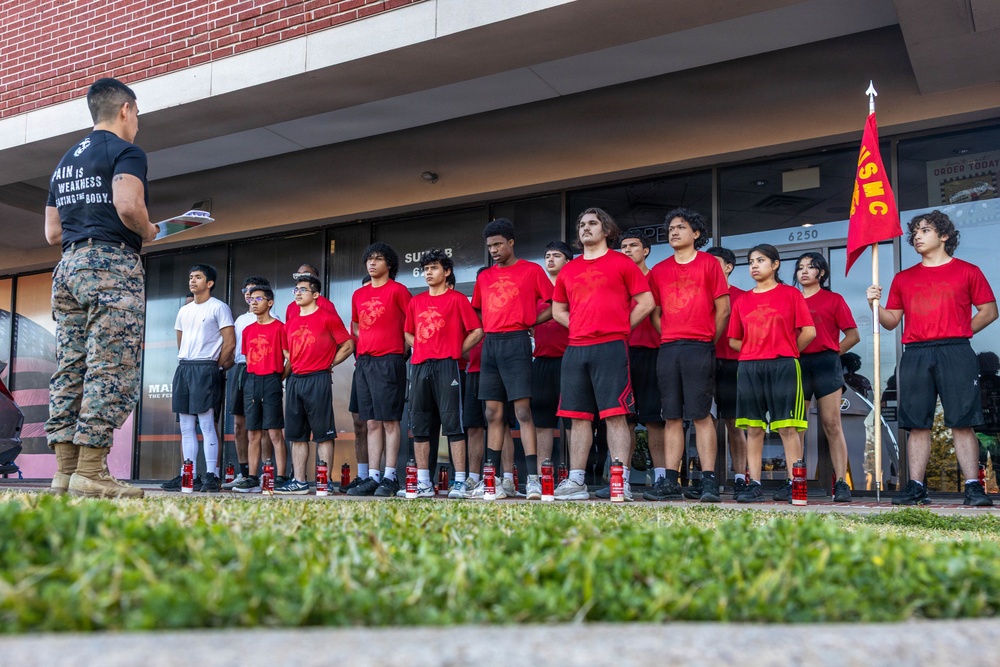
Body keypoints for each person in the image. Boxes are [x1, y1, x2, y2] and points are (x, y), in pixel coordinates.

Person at [44, 77, 159, 498]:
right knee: (112, 364)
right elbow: (128, 205)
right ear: (126, 110)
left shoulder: (64, 162)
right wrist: (151, 229)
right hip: (110, 265)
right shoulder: (127, 151)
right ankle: (92, 470)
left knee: (72, 366)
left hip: (69, 265)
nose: (137, 124)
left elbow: (52, 232)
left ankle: (65, 472)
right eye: (138, 115)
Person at [867, 210, 998, 506]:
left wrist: (960, 331)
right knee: (917, 424)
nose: (917, 237)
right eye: (915, 232)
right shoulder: (903, 278)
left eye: (924, 231)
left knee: (962, 421)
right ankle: (916, 487)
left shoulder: (968, 271)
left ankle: (973, 487)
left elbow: (990, 311)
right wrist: (873, 304)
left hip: (956, 349)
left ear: (944, 236)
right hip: (915, 352)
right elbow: (890, 322)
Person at [552, 208, 654, 501]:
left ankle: (620, 481)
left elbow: (646, 302)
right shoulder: (569, 269)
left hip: (611, 346)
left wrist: (620, 328)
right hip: (576, 347)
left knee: (615, 414)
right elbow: (558, 310)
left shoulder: (622, 262)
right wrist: (581, 326)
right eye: (582, 224)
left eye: (592, 223)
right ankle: (576, 481)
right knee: (578, 416)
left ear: (606, 230)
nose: (585, 228)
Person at [645, 209, 729, 503]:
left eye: (681, 227)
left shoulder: (709, 264)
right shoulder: (658, 270)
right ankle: (669, 481)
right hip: (668, 348)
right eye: (670, 228)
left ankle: (708, 481)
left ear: (696, 234)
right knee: (672, 416)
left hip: (700, 347)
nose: (674, 232)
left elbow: (724, 309)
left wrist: (708, 339)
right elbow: (654, 312)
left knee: (702, 414)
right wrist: (667, 332)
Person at [472, 219, 553, 499]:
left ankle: (532, 479)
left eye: (497, 244)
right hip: (491, 344)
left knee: (522, 412)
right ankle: (492, 481)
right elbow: (479, 312)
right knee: (492, 414)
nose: (493, 250)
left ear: (511, 243)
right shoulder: (485, 277)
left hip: (517, 342)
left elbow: (555, 304)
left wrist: (530, 321)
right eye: (489, 246)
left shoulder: (531, 270)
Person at [728, 244, 815, 503]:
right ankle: (753, 483)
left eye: (761, 260)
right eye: (751, 261)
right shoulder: (742, 300)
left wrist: (785, 351)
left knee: (788, 427)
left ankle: (794, 482)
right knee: (753, 428)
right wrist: (756, 350)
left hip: (784, 366)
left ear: (775, 264)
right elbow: (734, 340)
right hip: (749, 367)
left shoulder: (791, 295)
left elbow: (809, 332)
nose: (754, 265)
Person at [400, 249, 484, 497]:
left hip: (448, 366)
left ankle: (459, 481)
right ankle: (424, 482)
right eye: (426, 269)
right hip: (420, 365)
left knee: (453, 424)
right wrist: (421, 346)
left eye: (434, 268)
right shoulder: (416, 302)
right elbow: (407, 332)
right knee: (420, 424)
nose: (428, 273)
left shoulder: (457, 299)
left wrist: (454, 351)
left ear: (446, 272)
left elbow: (477, 331)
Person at [163, 264, 236, 493]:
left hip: (207, 367)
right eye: (191, 276)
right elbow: (180, 340)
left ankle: (212, 475)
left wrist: (216, 366)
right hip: (185, 366)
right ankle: (189, 475)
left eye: (198, 277)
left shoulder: (219, 307)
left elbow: (230, 343)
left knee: (206, 424)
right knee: (186, 426)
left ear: (210, 283)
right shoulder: (184, 310)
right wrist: (188, 361)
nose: (192, 281)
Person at [794, 251, 860, 503]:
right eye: (800, 267)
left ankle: (841, 483)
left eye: (810, 267)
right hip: (798, 363)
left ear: (821, 273)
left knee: (832, 424)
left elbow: (853, 335)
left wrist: (833, 352)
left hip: (826, 364)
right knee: (797, 426)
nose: (804, 271)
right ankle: (795, 480)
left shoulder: (834, 299)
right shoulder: (791, 298)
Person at [280, 275, 354, 494]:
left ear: (315, 294)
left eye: (303, 289)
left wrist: (328, 362)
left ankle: (325, 481)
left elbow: (348, 345)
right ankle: (300, 481)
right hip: (295, 380)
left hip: (318, 379)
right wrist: (294, 361)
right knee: (297, 434)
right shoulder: (291, 322)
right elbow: (286, 351)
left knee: (323, 433)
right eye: (296, 290)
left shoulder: (327, 317)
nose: (298, 293)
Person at [349, 243, 411, 497]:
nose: (372, 263)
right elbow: (354, 326)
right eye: (369, 259)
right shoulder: (358, 294)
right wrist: (368, 341)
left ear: (389, 265)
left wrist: (400, 351)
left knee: (389, 421)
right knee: (371, 421)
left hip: (390, 360)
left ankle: (390, 476)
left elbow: (413, 325)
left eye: (378, 259)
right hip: (364, 362)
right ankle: (373, 476)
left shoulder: (399, 291)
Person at [613, 231, 668, 500]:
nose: (627, 250)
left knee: (655, 421)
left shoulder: (657, 277)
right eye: (623, 247)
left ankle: (661, 479)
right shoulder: (617, 279)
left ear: (645, 250)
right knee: (624, 418)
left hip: (655, 353)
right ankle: (620, 479)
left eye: (633, 246)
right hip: (622, 352)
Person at [233, 286, 289, 493]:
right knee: (253, 432)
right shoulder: (247, 330)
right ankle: (251, 477)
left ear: (270, 302)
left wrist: (279, 377)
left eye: (259, 298)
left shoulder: (280, 327)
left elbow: (288, 357)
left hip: (272, 380)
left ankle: (282, 476)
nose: (254, 302)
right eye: (251, 299)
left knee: (274, 432)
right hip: (252, 381)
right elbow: (247, 359)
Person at [223, 275, 274, 490]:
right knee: (239, 424)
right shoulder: (240, 320)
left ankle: (265, 472)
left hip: (264, 372)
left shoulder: (274, 318)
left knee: (262, 426)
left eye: (254, 291)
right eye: (246, 290)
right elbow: (232, 347)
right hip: (241, 369)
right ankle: (245, 473)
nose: (249, 295)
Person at [707, 246, 749, 499]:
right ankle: (708, 478)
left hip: (734, 364)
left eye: (715, 263)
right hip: (704, 363)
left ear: (728, 267)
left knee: (735, 424)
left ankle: (741, 478)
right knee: (705, 423)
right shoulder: (699, 294)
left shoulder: (742, 297)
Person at [531, 242, 574, 480]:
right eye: (546, 256)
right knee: (542, 421)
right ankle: (543, 475)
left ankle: (573, 475)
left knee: (572, 419)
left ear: (567, 261)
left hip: (569, 359)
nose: (550, 260)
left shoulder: (572, 289)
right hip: (542, 362)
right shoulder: (538, 295)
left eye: (556, 256)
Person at [341, 275, 372, 494]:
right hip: (360, 369)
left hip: (385, 369)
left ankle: (381, 475)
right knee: (359, 423)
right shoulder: (357, 315)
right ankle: (362, 476)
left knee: (379, 424)